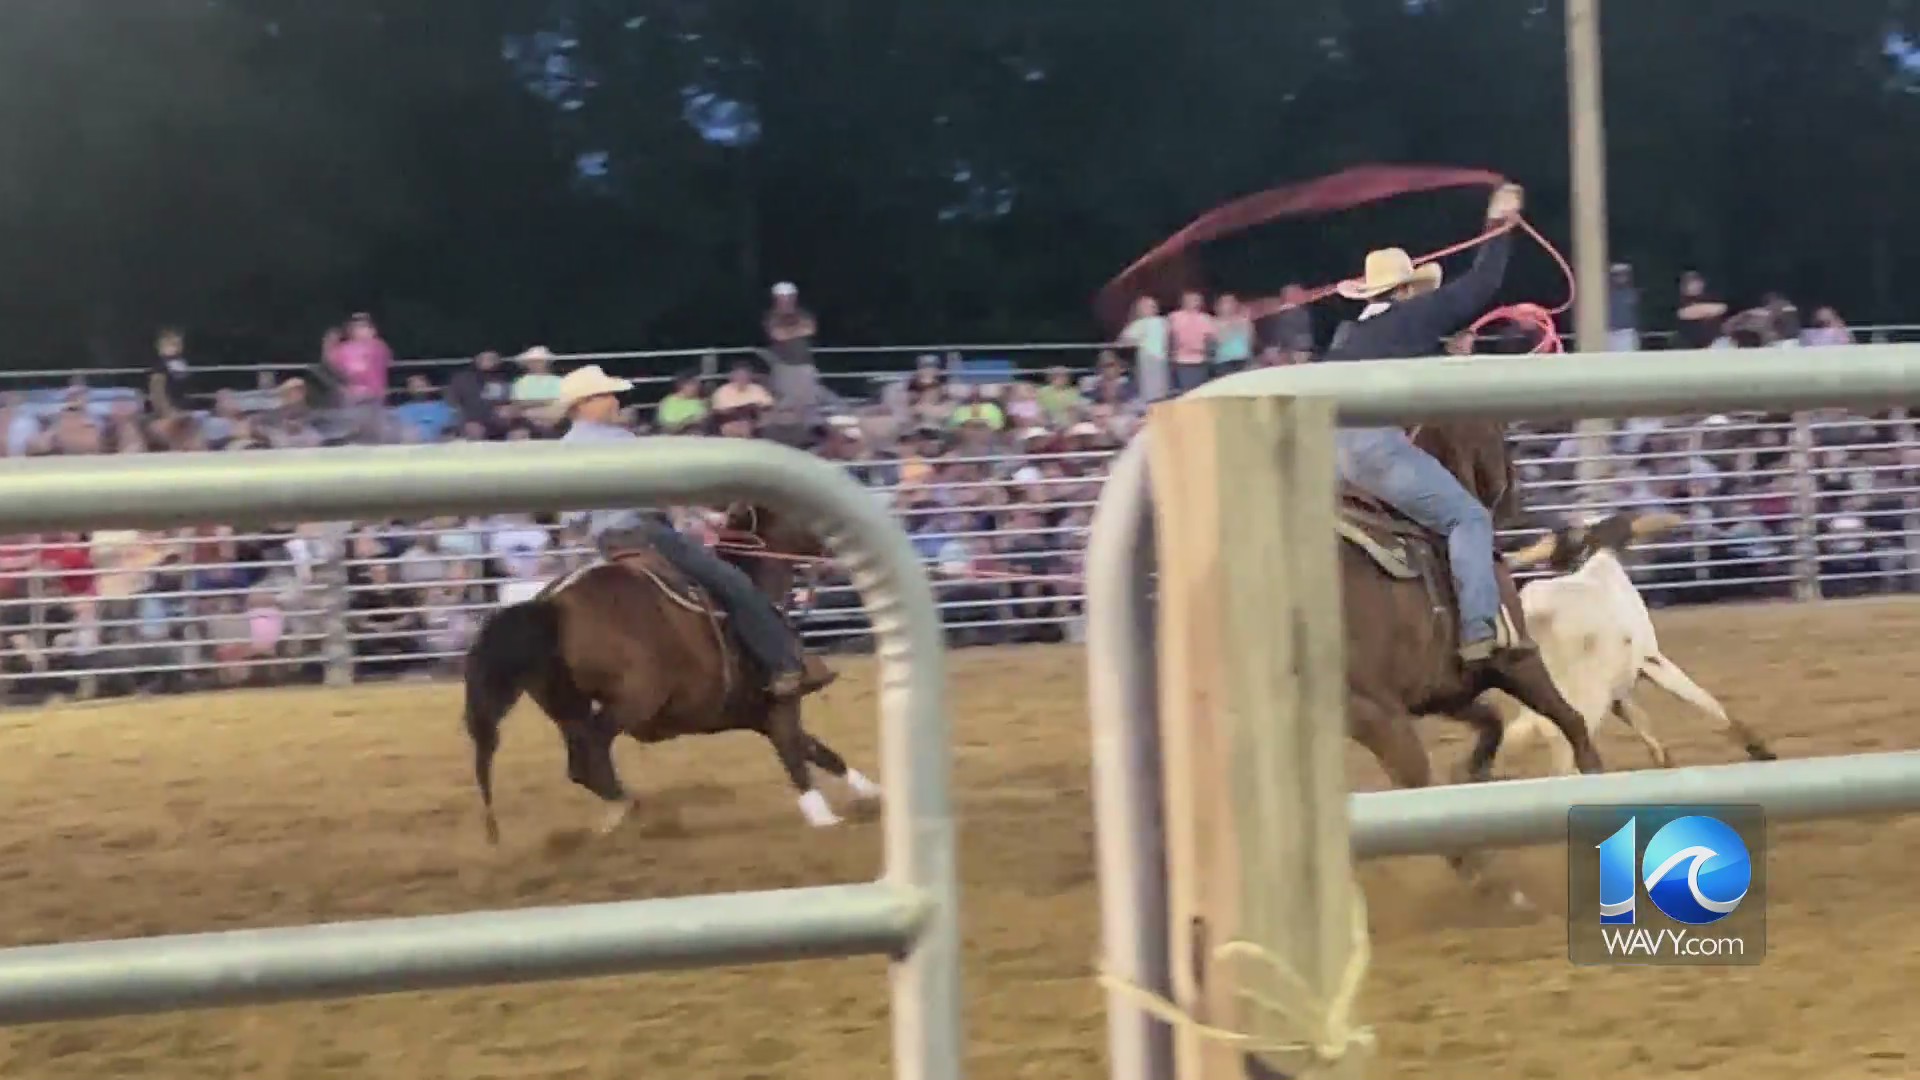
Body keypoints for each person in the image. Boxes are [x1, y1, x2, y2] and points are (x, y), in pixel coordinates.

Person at [1322, 182, 1528, 667]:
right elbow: (1482, 283)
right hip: (1373, 453)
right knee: (1468, 517)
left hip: (1326, 457)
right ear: (1406, 290)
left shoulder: (1349, 336)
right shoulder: (1412, 317)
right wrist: (1499, 225)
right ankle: (1480, 630)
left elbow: (1397, 360)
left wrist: (1443, 354)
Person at [547, 366, 823, 699]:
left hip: (607, 545)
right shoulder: (622, 441)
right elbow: (662, 491)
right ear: (584, 402)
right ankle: (785, 666)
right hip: (648, 535)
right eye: (607, 395)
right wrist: (701, 515)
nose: (615, 400)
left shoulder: (560, 451)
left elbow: (572, 520)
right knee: (735, 585)